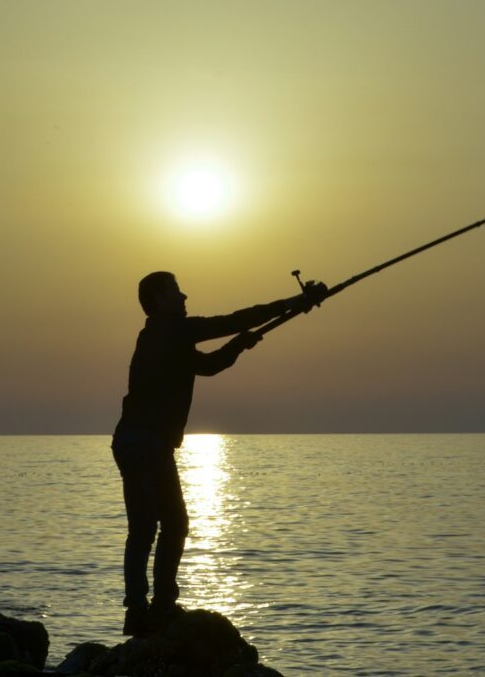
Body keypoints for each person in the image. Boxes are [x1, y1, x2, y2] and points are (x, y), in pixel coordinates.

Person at [111, 271, 327, 635]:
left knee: (143, 529)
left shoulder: (155, 336)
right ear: (159, 301)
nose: (184, 296)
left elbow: (207, 366)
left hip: (129, 441)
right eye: (175, 292)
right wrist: (291, 304)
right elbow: (232, 320)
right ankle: (162, 606)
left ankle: (137, 612)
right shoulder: (174, 331)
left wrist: (241, 344)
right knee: (174, 524)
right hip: (149, 442)